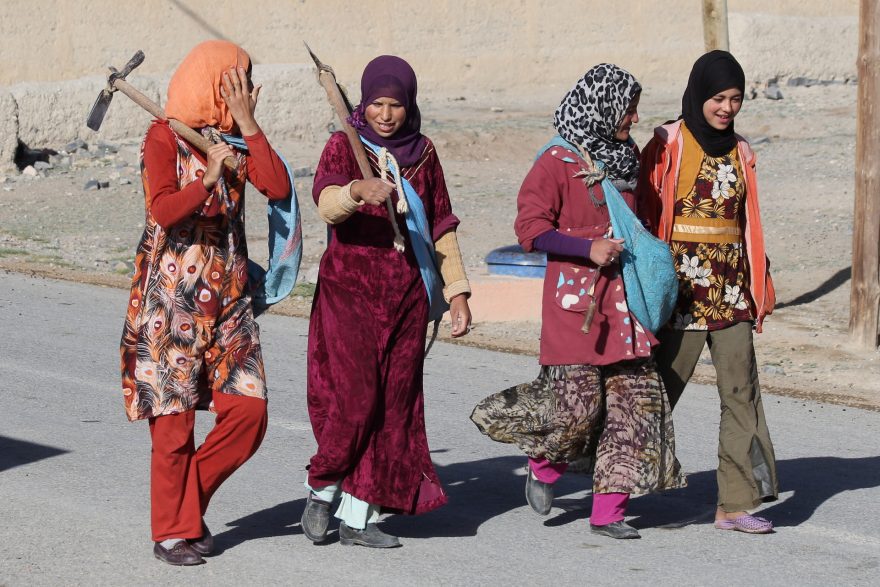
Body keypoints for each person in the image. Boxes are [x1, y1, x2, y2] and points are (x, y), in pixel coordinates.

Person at [471, 64, 684, 540]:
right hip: (579, 307)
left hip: (626, 304)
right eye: (626, 107)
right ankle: (544, 461)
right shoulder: (556, 162)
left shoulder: (624, 156)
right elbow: (529, 230)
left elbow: (640, 220)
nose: (631, 117)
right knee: (578, 408)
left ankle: (609, 511)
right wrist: (586, 247)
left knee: (635, 406)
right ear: (602, 105)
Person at [119, 40, 295, 565]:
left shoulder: (236, 141)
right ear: (210, 83)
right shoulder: (162, 136)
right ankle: (172, 532)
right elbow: (163, 210)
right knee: (173, 428)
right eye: (234, 81)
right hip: (169, 307)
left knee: (250, 412)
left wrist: (249, 126)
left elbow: (279, 186)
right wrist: (209, 180)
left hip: (229, 304)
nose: (243, 89)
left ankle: (181, 508)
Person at [301, 55, 472, 548]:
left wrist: (457, 292)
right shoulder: (344, 146)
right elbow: (325, 202)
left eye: (396, 104)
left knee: (394, 407)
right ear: (364, 102)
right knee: (356, 401)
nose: (385, 114)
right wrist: (358, 190)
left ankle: (359, 516)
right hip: (349, 292)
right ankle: (323, 485)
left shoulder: (424, 154)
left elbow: (441, 222)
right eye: (376, 102)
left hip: (407, 298)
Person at [640, 50, 778, 534]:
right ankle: (610, 481)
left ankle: (735, 504)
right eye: (718, 97)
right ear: (699, 93)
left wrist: (759, 277)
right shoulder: (666, 143)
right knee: (658, 388)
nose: (726, 107)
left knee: (741, 390)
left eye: (736, 99)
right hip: (678, 289)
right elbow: (643, 213)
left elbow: (748, 221)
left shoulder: (742, 151)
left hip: (732, 286)